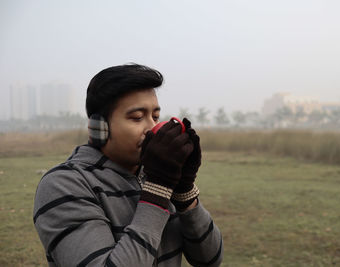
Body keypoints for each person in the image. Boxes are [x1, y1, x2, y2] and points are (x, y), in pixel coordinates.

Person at [33, 63, 223, 266]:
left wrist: (183, 191)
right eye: (137, 118)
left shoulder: (155, 173)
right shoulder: (64, 184)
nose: (152, 128)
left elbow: (209, 259)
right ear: (99, 128)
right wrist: (158, 188)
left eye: (156, 116)